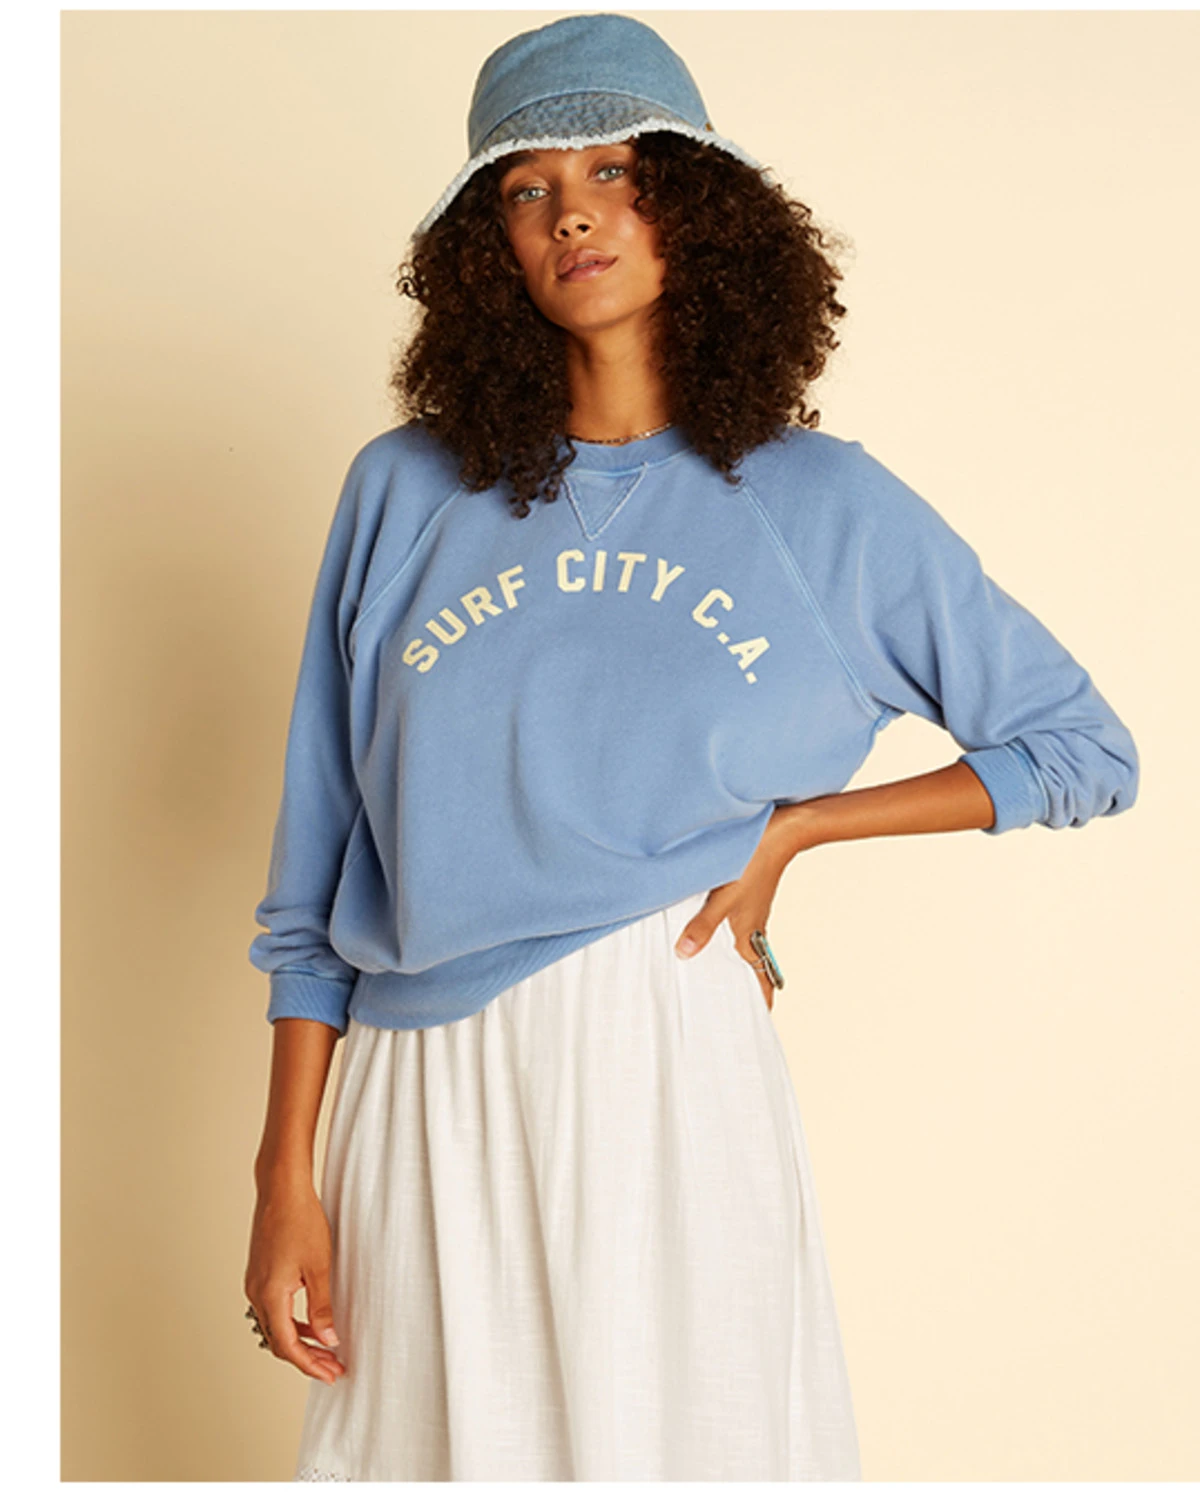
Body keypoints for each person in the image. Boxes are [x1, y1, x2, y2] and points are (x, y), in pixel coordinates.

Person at [242, 12, 1140, 1483]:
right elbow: (315, 867)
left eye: (614, 169)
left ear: (698, 209)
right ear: (488, 249)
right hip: (413, 1085)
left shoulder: (821, 506)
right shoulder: (402, 493)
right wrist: (285, 1169)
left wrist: (795, 829)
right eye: (526, 189)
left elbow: (1080, 747)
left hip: (660, 1054)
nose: (572, 210)